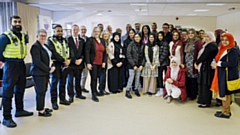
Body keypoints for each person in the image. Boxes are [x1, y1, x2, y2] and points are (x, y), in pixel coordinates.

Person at [0, 15, 33, 128]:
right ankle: (6, 117)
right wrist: (3, 62)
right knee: (8, 92)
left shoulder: (23, 36)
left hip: (21, 64)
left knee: (20, 89)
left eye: (19, 21)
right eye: (15, 22)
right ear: (11, 23)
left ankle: (19, 110)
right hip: (10, 65)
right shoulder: (5, 36)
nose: (17, 23)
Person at [211, 33, 240, 119]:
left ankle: (226, 112)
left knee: (226, 94)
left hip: (228, 75)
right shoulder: (223, 49)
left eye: (226, 40)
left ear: (231, 40)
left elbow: (232, 63)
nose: (224, 42)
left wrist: (218, 64)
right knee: (223, 93)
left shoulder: (233, 50)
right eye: (223, 40)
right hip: (222, 74)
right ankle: (224, 110)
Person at [30, 29, 55, 117]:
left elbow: (49, 57)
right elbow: (37, 62)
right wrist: (48, 69)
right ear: (37, 36)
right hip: (38, 73)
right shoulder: (35, 47)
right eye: (41, 36)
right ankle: (40, 110)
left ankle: (42, 107)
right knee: (40, 91)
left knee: (43, 90)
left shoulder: (45, 46)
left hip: (44, 73)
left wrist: (52, 66)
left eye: (44, 36)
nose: (43, 37)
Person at [47, 24, 71, 110]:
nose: (60, 32)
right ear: (54, 31)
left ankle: (62, 98)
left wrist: (68, 60)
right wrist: (63, 60)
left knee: (63, 82)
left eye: (61, 31)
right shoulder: (50, 41)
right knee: (54, 83)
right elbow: (53, 52)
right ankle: (54, 102)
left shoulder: (65, 40)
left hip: (65, 64)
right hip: (56, 63)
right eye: (58, 31)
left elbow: (68, 50)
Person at [194, 32, 218, 108]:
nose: (206, 38)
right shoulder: (207, 45)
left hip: (207, 68)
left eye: (208, 36)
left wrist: (197, 63)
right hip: (204, 67)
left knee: (205, 85)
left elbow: (204, 56)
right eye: (205, 36)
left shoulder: (212, 45)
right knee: (202, 84)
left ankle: (206, 101)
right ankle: (202, 100)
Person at [85, 27, 107, 102]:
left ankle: (96, 91)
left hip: (100, 63)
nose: (96, 33)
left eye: (98, 31)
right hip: (93, 63)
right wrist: (88, 63)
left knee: (97, 78)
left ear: (100, 32)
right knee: (93, 78)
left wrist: (104, 62)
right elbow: (87, 52)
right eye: (95, 31)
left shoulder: (103, 41)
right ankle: (93, 94)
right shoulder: (90, 40)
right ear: (93, 32)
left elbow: (105, 52)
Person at [67, 24, 86, 103]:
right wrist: (74, 60)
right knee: (70, 81)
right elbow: (67, 52)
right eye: (74, 29)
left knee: (78, 79)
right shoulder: (68, 40)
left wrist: (81, 59)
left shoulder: (82, 40)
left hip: (80, 63)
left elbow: (84, 52)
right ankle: (71, 95)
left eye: (76, 30)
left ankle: (78, 93)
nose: (75, 31)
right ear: (71, 30)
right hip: (71, 63)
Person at [184, 28, 203, 100]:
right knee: (188, 79)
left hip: (194, 63)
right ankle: (188, 93)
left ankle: (193, 95)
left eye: (192, 33)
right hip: (187, 62)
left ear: (194, 34)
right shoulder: (188, 41)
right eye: (189, 33)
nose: (190, 35)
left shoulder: (198, 42)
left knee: (193, 80)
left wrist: (197, 62)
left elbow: (200, 53)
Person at [125, 33, 145, 99]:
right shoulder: (131, 45)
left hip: (139, 65)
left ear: (140, 38)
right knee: (131, 78)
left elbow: (144, 56)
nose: (137, 38)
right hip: (132, 65)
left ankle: (136, 89)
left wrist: (142, 64)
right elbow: (128, 55)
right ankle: (127, 90)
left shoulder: (143, 45)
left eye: (138, 37)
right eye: (135, 37)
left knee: (137, 78)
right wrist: (133, 65)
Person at [155, 32, 170, 97]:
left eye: (161, 36)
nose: (160, 37)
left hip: (164, 63)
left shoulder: (165, 43)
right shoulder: (157, 43)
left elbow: (165, 54)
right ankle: (161, 89)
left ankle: (167, 90)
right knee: (159, 77)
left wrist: (159, 61)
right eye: (159, 36)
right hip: (158, 63)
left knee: (166, 76)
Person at [98, 30, 110, 95]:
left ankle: (102, 88)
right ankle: (101, 89)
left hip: (106, 60)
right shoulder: (101, 42)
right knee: (102, 75)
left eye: (107, 34)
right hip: (102, 60)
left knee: (103, 75)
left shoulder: (108, 42)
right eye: (104, 34)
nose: (106, 35)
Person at [79, 25, 89, 93]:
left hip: (86, 59)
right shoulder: (77, 38)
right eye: (82, 29)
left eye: (84, 29)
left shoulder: (88, 38)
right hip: (79, 60)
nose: (83, 31)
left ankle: (82, 87)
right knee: (78, 75)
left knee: (85, 74)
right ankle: (77, 87)